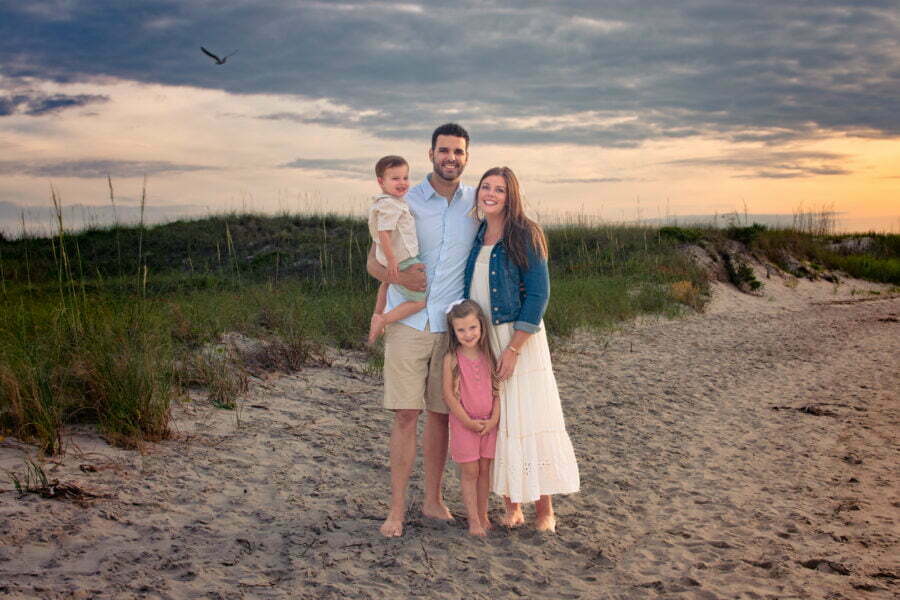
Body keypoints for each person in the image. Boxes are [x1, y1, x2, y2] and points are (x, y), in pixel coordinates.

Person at [366, 123, 479, 537]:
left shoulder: (475, 202)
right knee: (405, 415)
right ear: (431, 153)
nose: (451, 157)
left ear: (466, 157)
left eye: (458, 152)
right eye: (444, 150)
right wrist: (400, 279)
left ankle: (433, 501)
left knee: (440, 415)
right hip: (409, 322)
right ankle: (396, 510)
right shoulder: (404, 199)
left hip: (450, 327)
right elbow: (373, 264)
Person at [463, 166, 580, 532]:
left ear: (511, 195)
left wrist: (514, 348)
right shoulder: (478, 232)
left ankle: (544, 510)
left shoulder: (526, 233)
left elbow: (540, 294)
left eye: (499, 189)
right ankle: (511, 506)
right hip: (485, 339)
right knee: (502, 421)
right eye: (486, 187)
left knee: (530, 418)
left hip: (518, 339)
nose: (491, 194)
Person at [442, 299, 500, 537]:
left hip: (489, 424)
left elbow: (498, 391)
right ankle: (473, 520)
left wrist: (494, 419)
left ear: (481, 326)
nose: (468, 334)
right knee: (470, 473)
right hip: (464, 425)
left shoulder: (490, 355)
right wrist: (466, 421)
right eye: (461, 330)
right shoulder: (452, 358)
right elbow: (448, 394)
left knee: (485, 470)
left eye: (472, 328)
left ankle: (483, 514)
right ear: (454, 332)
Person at [367, 155, 426, 344]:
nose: (402, 183)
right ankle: (384, 318)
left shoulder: (385, 202)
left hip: (388, 257)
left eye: (405, 178)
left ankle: (377, 314)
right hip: (401, 258)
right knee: (420, 301)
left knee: (386, 284)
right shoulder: (390, 204)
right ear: (381, 182)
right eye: (395, 179)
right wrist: (392, 260)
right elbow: (384, 233)